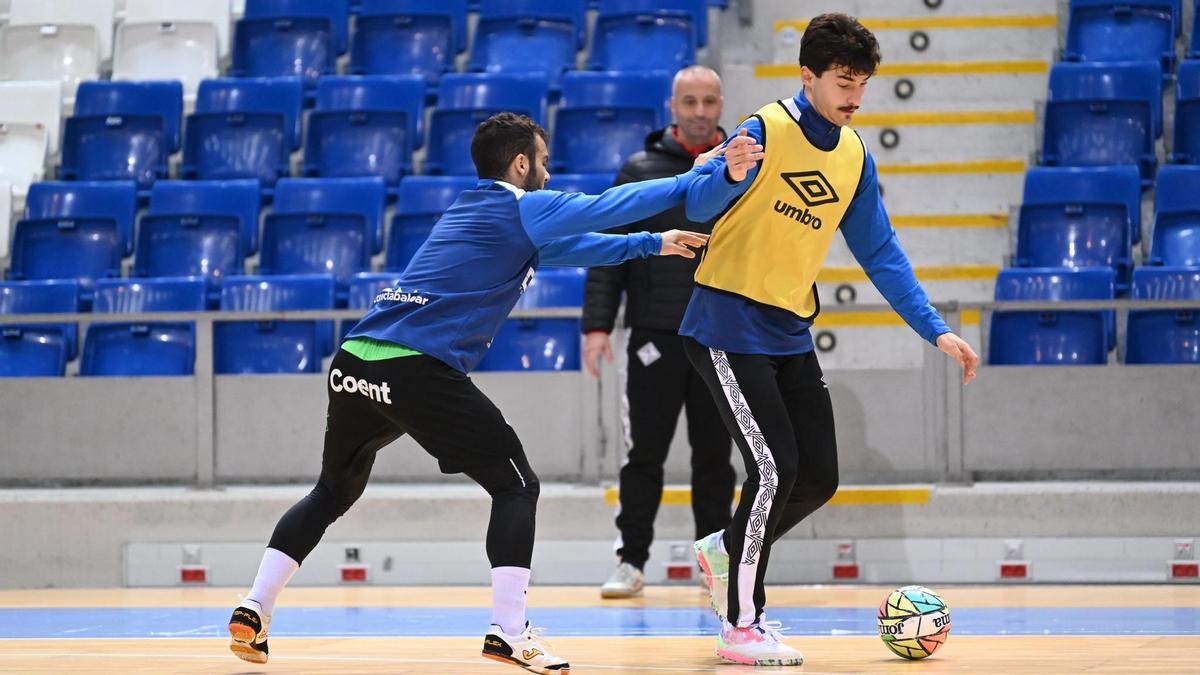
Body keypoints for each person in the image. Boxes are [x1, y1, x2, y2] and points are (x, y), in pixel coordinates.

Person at [224, 112, 764, 673]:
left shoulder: (471, 210)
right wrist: (698, 177)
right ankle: (508, 631)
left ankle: (255, 605)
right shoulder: (521, 207)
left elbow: (572, 248)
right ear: (521, 163)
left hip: (357, 361)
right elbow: (612, 204)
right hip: (417, 369)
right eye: (545, 163)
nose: (550, 175)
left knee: (332, 491)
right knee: (517, 486)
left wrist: (656, 243)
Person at [681, 14, 980, 667]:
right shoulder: (763, 129)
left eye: (863, 84)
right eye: (844, 82)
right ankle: (741, 623)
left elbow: (882, 251)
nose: (854, 97)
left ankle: (724, 552)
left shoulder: (851, 155)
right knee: (773, 468)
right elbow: (697, 205)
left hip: (789, 330)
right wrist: (724, 175)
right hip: (726, 324)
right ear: (808, 76)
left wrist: (935, 327)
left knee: (817, 475)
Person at [583, 66, 737, 599]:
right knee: (642, 454)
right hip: (654, 336)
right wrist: (597, 326)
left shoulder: (744, 168)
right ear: (673, 106)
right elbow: (607, 253)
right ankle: (631, 560)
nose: (699, 112)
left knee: (716, 458)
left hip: (722, 336)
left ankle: (716, 565)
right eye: (689, 102)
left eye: (708, 102)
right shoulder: (640, 170)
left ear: (721, 105)